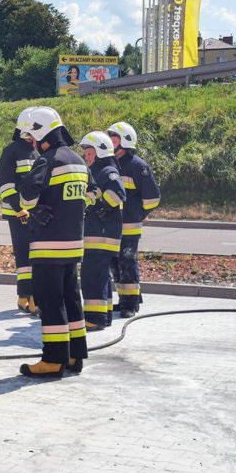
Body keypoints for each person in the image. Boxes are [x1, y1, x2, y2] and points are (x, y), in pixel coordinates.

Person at [17, 107, 89, 377]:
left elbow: (26, 199)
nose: (32, 143)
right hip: (73, 245)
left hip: (48, 245)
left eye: (32, 137)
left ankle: (53, 359)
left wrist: (36, 207)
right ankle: (74, 356)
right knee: (72, 298)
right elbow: (89, 194)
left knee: (50, 301)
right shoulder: (79, 161)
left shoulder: (46, 161)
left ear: (41, 133)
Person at [107, 122, 161, 318]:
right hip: (112, 226)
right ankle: (125, 300)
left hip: (129, 226)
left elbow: (153, 198)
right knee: (115, 264)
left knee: (128, 263)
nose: (110, 140)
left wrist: (137, 215)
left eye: (114, 136)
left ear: (125, 141)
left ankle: (130, 305)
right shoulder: (110, 163)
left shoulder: (138, 166)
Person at [79, 132, 126, 331]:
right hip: (98, 233)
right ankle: (103, 314)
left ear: (100, 152)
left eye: (89, 153)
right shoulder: (97, 172)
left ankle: (95, 318)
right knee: (101, 276)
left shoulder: (107, 172)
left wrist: (101, 205)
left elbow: (118, 193)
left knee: (92, 276)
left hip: (101, 236)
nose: (86, 157)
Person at [0, 108, 40, 315]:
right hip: (18, 214)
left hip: (36, 213)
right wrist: (19, 209)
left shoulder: (37, 151)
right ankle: (27, 296)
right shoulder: (11, 151)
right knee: (24, 256)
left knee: (34, 256)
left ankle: (27, 296)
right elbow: (5, 185)